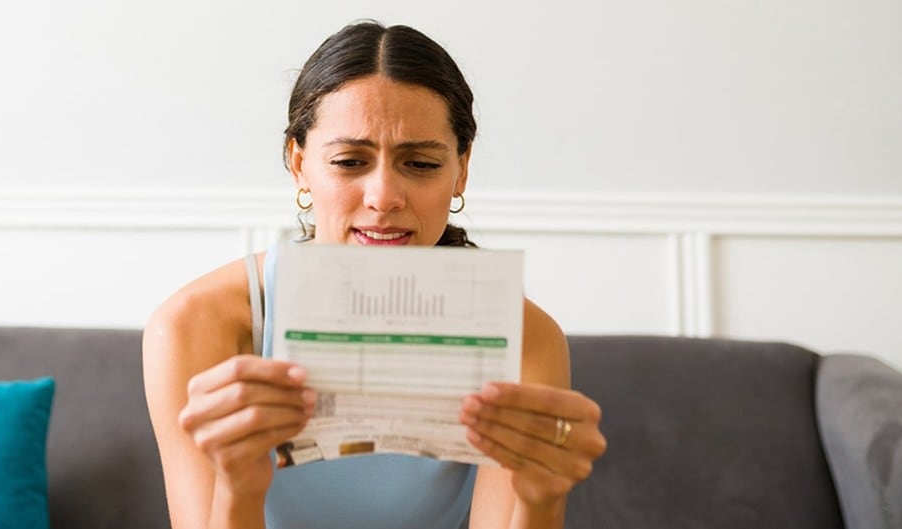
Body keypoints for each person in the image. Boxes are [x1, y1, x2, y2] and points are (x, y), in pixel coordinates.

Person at [142, 21, 606, 529]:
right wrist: (239, 488)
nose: (383, 196)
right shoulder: (196, 324)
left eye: (422, 163)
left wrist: (542, 501)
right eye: (349, 160)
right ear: (299, 165)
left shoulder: (525, 338)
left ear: (461, 170)